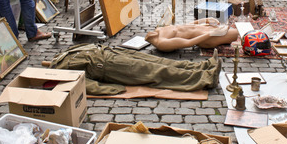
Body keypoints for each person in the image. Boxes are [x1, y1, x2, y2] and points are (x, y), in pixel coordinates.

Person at [48, 43, 222, 96]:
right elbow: (86, 85)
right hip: (110, 67)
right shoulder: (61, 71)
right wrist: (114, 89)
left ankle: (203, 66)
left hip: (112, 52)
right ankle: (206, 78)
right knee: (155, 71)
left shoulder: (63, 55)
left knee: (159, 62)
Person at [145, 18, 239, 53]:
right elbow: (189, 42)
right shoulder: (162, 43)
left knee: (238, 29)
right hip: (205, 37)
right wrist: (213, 33)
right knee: (238, 34)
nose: (148, 34)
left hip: (203, 28)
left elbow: (184, 27)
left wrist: (203, 20)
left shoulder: (158, 29)